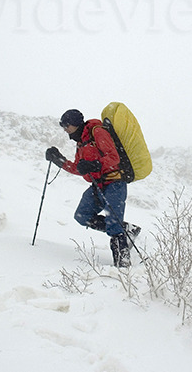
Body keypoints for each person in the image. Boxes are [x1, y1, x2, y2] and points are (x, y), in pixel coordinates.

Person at [45, 109, 140, 268]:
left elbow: (113, 157)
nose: (65, 129)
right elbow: (78, 168)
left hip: (114, 183)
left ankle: (123, 265)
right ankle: (127, 229)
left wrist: (95, 164)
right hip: (98, 185)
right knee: (82, 216)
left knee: (113, 224)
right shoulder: (81, 143)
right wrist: (59, 160)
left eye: (66, 125)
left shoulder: (98, 132)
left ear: (75, 123)